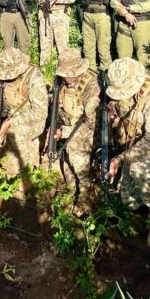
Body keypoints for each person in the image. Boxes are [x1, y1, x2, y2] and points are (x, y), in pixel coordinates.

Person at [104, 58, 150, 250]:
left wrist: (120, 158)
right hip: (132, 145)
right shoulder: (116, 82)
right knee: (130, 202)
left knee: (139, 168)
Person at [0, 47, 48, 180]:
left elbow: (40, 112)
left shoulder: (33, 77)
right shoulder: (3, 75)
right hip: (12, 114)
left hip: (33, 120)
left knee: (15, 133)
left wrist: (12, 122)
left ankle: (21, 174)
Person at [51, 55, 101, 211]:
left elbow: (92, 124)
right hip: (71, 125)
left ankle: (86, 191)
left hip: (92, 129)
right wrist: (57, 125)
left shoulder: (91, 86)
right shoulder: (62, 81)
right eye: (64, 75)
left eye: (71, 75)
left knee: (74, 149)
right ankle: (73, 187)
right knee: (65, 153)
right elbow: (58, 107)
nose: (67, 79)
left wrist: (65, 131)